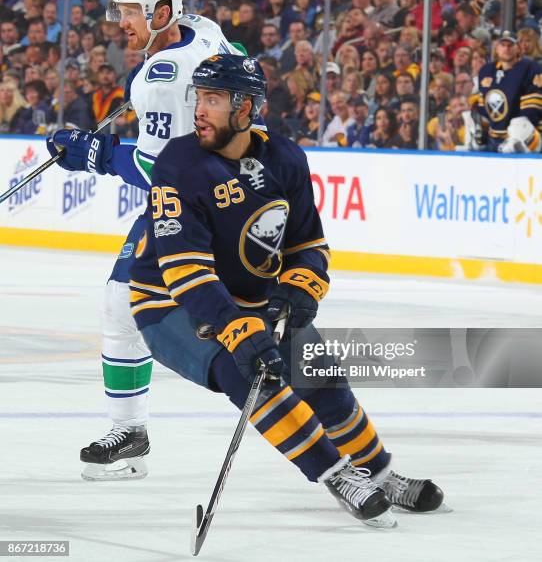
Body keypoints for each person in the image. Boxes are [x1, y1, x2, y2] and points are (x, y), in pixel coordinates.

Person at [128, 53, 446, 524]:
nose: (199, 108)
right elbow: (185, 272)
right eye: (200, 96)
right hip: (170, 304)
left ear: (245, 108)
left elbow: (309, 244)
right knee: (249, 375)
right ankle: (337, 476)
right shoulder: (179, 163)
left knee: (322, 379)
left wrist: (301, 288)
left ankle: (379, 475)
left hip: (248, 300)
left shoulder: (285, 158)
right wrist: (238, 329)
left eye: (213, 99)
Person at [47, 0, 246, 482]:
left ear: (162, 11)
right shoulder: (203, 31)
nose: (121, 22)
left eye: (131, 11)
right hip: (227, 190)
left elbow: (156, 170)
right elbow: (237, 59)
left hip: (198, 202)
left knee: (145, 308)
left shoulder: (162, 79)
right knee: (122, 301)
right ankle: (130, 432)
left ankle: (305, 410)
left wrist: (93, 154)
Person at [466, 30, 542, 153]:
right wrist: (481, 129)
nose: (506, 49)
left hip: (528, 137)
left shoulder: (530, 68)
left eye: (510, 45)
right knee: (473, 121)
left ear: (518, 48)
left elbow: (532, 109)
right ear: (497, 48)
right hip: (494, 136)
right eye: (503, 45)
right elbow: (481, 107)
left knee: (519, 124)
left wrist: (514, 136)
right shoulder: (486, 70)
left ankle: (514, 150)